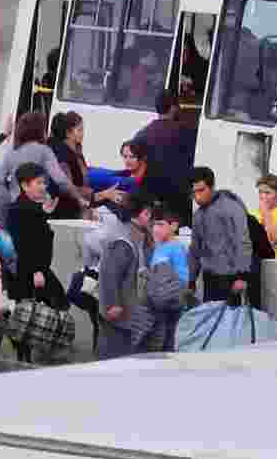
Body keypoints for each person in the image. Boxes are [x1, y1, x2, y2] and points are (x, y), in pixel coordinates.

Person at [0, 112, 89, 223]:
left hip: (14, 207)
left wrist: (7, 199)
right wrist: (79, 198)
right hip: (37, 208)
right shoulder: (44, 151)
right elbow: (61, 180)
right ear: (39, 131)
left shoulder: (12, 153)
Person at [97, 190, 156, 359]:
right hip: (119, 314)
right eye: (151, 216)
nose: (153, 222)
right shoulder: (123, 241)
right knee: (115, 358)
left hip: (129, 313)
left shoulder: (136, 235)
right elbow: (110, 274)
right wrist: (113, 304)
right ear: (145, 213)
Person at [4, 163, 68, 310]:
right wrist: (36, 271)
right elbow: (21, 245)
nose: (43, 186)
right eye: (38, 183)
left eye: (44, 182)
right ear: (25, 186)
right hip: (30, 274)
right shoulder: (19, 210)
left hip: (38, 271)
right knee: (51, 309)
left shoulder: (32, 208)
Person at [188, 166, 253, 305]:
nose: (197, 197)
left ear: (212, 187)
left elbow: (242, 241)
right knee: (210, 315)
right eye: (194, 192)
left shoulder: (231, 207)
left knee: (229, 317)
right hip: (209, 277)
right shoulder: (198, 215)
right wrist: (191, 280)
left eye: (201, 190)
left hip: (230, 277)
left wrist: (242, 276)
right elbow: (195, 250)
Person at [132, 91, 197, 226]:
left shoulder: (142, 134)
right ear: (173, 108)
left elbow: (135, 168)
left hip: (148, 198)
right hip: (177, 199)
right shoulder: (187, 133)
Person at [49, 111, 121, 219]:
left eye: (82, 129)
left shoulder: (76, 151)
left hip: (80, 204)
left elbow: (83, 181)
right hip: (67, 212)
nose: (83, 133)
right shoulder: (62, 156)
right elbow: (68, 190)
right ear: (68, 133)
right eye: (79, 130)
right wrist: (101, 195)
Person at [149, 207, 189, 352]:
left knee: (168, 344)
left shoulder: (177, 248)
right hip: (157, 305)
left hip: (171, 307)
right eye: (154, 224)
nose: (155, 229)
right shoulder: (159, 246)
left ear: (174, 226)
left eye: (160, 224)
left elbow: (183, 280)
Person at [251, 174, 277, 258]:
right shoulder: (255, 213)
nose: (263, 196)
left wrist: (266, 213)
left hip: (276, 262)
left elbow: (273, 239)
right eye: (260, 192)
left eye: (267, 193)